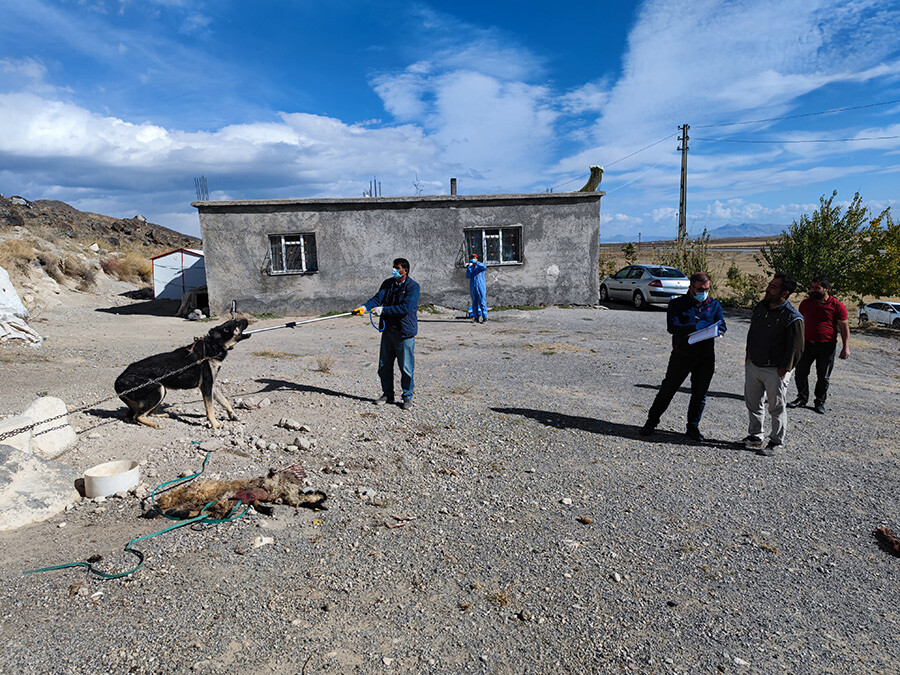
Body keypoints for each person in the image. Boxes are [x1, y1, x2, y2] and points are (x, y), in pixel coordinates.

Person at [640, 272, 726, 442]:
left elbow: (721, 323)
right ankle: (651, 422)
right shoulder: (677, 304)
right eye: (700, 289)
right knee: (668, 389)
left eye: (707, 289)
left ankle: (693, 427)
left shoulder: (714, 305)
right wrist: (694, 327)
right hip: (682, 355)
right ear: (691, 288)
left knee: (700, 394)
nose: (703, 292)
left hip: (705, 357)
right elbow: (672, 327)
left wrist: (719, 329)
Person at [743, 273, 804, 455]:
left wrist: (785, 369)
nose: (768, 289)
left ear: (785, 293)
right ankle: (755, 436)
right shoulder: (761, 307)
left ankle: (776, 442)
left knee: (776, 407)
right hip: (754, 365)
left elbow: (797, 347)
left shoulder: (792, 316)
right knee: (753, 403)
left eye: (773, 287)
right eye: (769, 285)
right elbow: (752, 332)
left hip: (776, 370)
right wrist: (748, 356)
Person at [353, 258, 420, 410]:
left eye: (397, 268)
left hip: (404, 333)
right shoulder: (388, 284)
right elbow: (377, 299)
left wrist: (384, 310)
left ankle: (407, 396)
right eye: (393, 267)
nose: (394, 270)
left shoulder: (413, 287)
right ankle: (387, 394)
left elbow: (406, 308)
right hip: (388, 331)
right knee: (384, 366)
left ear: (405, 271)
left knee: (406, 367)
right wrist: (364, 307)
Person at [787, 276, 849, 414]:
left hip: (827, 346)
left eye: (817, 288)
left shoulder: (837, 305)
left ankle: (819, 402)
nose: (813, 290)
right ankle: (802, 398)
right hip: (806, 344)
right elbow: (799, 323)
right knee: (800, 373)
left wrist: (846, 347)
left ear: (826, 289)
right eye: (812, 287)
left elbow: (844, 327)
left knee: (823, 377)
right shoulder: (805, 303)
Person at [466, 253, 487, 323]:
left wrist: (476, 262)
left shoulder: (480, 266)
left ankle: (485, 317)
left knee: (482, 302)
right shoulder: (471, 267)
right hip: (473, 286)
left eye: (474, 258)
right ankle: (476, 318)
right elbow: (468, 276)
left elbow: (484, 267)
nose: (473, 259)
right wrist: (468, 269)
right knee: (474, 302)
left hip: (480, 286)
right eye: (472, 258)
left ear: (477, 259)